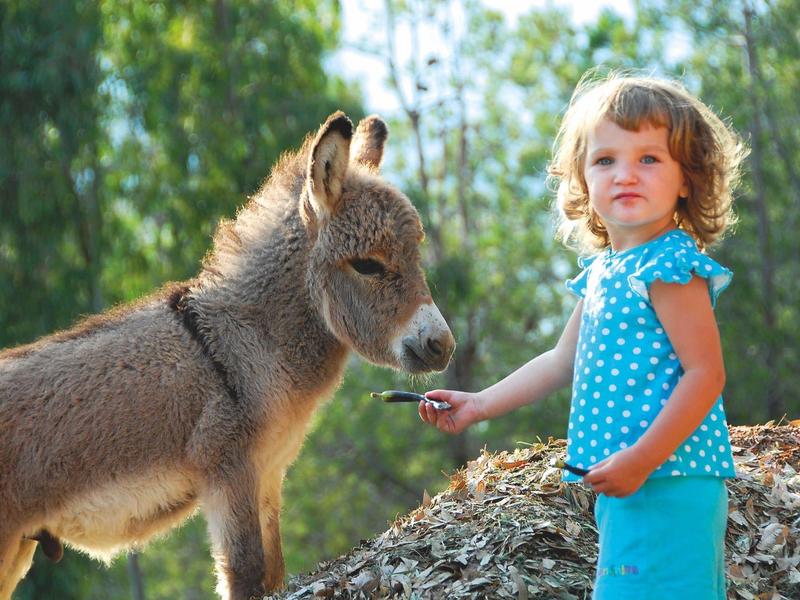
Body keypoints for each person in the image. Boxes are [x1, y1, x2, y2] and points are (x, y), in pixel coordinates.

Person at [419, 70, 747, 599]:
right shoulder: (605, 272)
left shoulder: (669, 266)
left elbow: (706, 374)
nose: (626, 174)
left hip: (669, 476)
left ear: (686, 177)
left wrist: (641, 460)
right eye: (605, 160)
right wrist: (479, 404)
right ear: (582, 179)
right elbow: (558, 360)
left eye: (649, 158)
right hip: (628, 478)